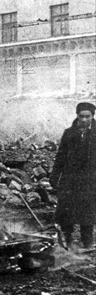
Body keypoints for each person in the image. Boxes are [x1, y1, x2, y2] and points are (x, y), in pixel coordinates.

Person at [50, 102, 96, 248]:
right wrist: (54, 177)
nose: (84, 120)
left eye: (87, 116)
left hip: (90, 180)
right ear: (77, 116)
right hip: (70, 179)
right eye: (81, 116)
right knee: (66, 211)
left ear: (92, 116)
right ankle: (67, 241)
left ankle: (87, 242)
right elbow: (60, 157)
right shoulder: (69, 133)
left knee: (87, 213)